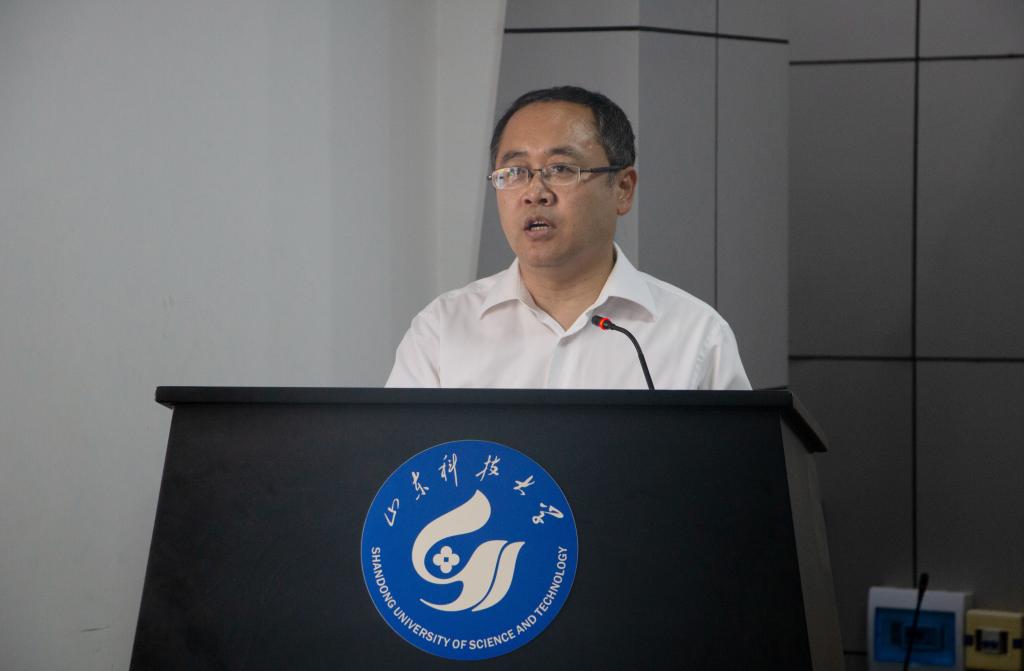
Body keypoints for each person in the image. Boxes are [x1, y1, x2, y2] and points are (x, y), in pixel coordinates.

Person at [386, 85, 750, 390]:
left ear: (623, 189)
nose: (535, 193)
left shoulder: (696, 336)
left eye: (560, 169)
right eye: (514, 172)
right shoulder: (442, 330)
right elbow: (405, 454)